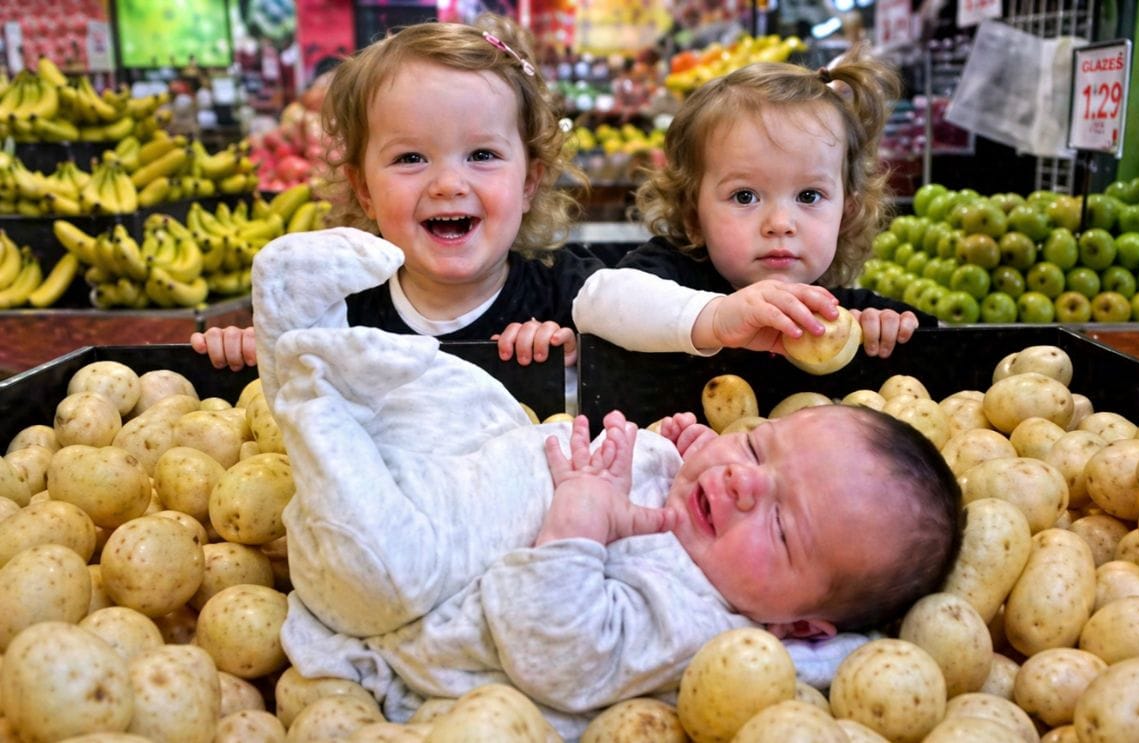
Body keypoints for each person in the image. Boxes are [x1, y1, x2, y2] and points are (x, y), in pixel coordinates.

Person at [252, 225, 963, 738]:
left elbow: (558, 649)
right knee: (463, 395)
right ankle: (335, 361)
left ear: (798, 626)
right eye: (755, 446)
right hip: (475, 467)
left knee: (377, 569)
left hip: (420, 571)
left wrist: (579, 520)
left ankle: (299, 351)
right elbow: (707, 470)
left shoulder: (692, 624)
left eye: (780, 526)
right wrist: (685, 451)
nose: (742, 481)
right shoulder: (705, 503)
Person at [191, 15, 602, 371]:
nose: (448, 184)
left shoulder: (574, 296)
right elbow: (293, 380)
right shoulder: (337, 310)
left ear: (529, 183)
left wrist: (582, 353)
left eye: (482, 155)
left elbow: (630, 363)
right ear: (364, 190)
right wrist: (253, 352)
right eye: (410, 158)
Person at [572, 52, 936, 360]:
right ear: (693, 216)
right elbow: (595, 302)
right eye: (744, 196)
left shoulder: (843, 313)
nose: (780, 223)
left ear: (846, 214)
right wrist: (715, 317)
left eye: (809, 196)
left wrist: (888, 330)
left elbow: (941, 342)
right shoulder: (669, 275)